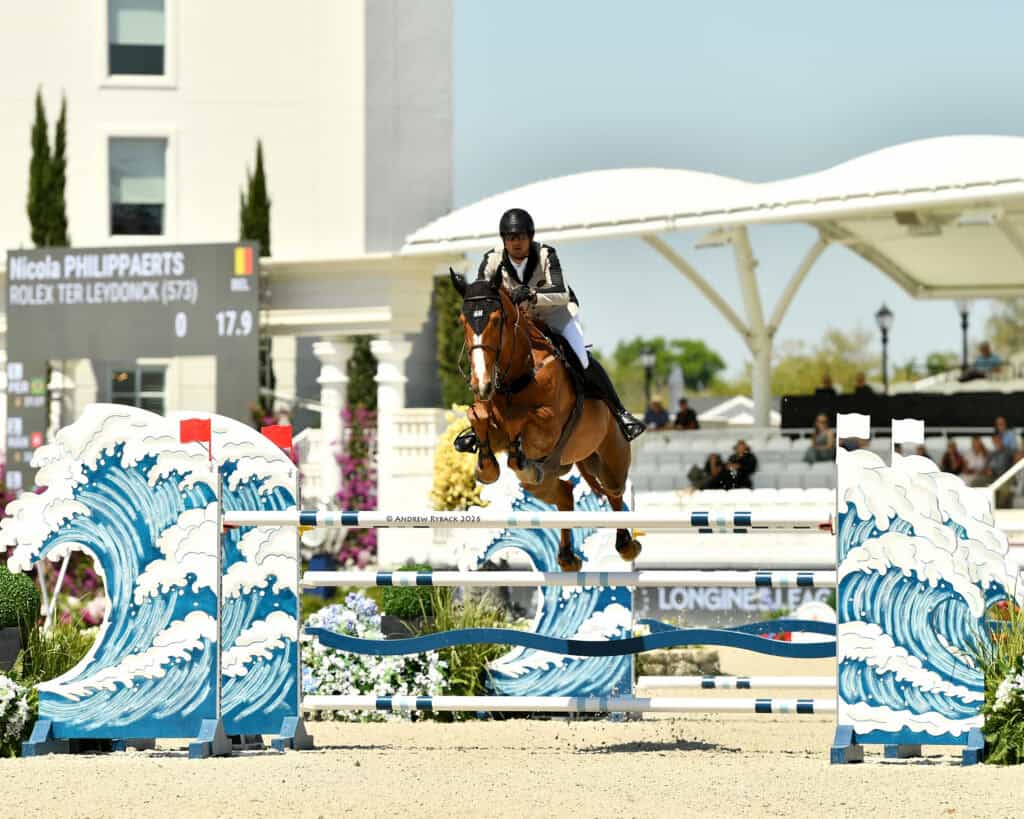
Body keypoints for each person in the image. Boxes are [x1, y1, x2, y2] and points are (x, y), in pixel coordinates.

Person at [456, 208, 644, 453]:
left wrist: (532, 295)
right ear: (504, 240)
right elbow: (482, 291)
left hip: (554, 314)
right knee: (488, 358)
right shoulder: (492, 258)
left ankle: (620, 414)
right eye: (511, 238)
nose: (516, 243)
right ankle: (480, 426)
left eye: (521, 237)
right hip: (517, 321)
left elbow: (561, 292)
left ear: (530, 237)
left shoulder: (546, 253)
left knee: (582, 358)